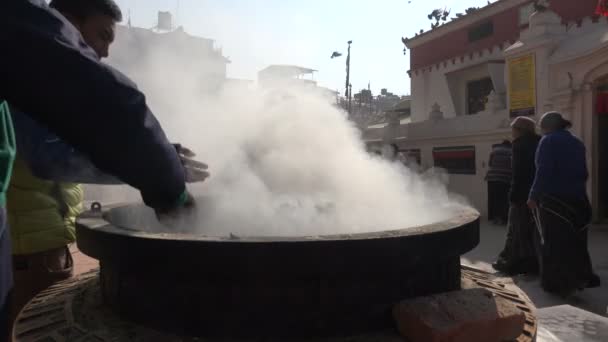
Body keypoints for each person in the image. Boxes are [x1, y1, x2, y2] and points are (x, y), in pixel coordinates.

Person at [0, 0, 208, 340]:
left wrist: (159, 159)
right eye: (102, 36)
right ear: (65, 21)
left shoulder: (41, 86)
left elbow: (82, 142)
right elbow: (50, 157)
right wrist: (153, 171)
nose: (104, 52)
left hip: (41, 240)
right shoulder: (31, 73)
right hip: (28, 249)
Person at [527, 112, 600, 296]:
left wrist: (533, 195)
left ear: (547, 127)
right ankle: (581, 276)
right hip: (578, 199)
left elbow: (543, 170)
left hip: (555, 201)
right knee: (577, 242)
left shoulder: (548, 141)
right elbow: (584, 172)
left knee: (553, 243)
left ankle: (557, 284)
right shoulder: (577, 142)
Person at [493, 117, 540, 275]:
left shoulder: (519, 145)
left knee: (515, 229)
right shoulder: (540, 141)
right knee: (533, 230)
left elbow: (519, 173)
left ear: (519, 130)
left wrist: (514, 195)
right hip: (539, 193)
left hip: (522, 194)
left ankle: (510, 262)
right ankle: (534, 263)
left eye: (513, 129)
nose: (512, 133)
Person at [485, 140, 512, 225]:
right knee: (503, 199)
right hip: (505, 178)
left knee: (493, 199)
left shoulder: (494, 151)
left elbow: (490, 164)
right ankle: (503, 219)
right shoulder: (511, 151)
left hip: (491, 178)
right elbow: (513, 165)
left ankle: (494, 218)